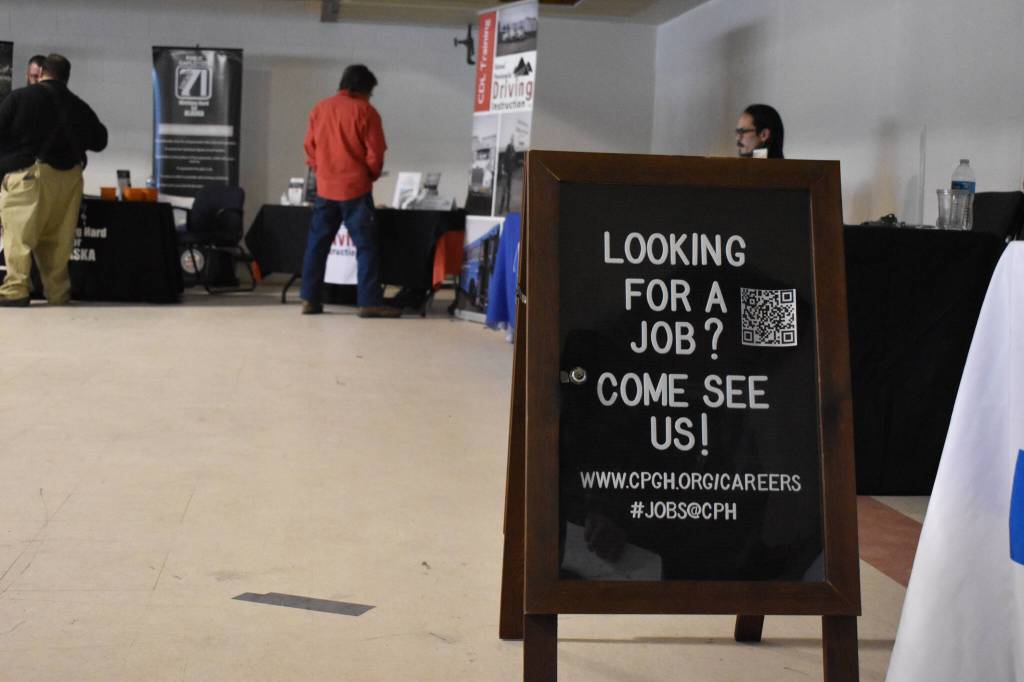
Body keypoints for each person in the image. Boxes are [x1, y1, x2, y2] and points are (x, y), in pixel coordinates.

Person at [0, 53, 107, 307]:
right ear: (66, 77)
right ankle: (57, 293)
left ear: (42, 72)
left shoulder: (19, 98)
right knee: (58, 242)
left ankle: (16, 290)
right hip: (68, 182)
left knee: (19, 236)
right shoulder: (79, 105)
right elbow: (100, 140)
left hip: (29, 177)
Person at [300, 64, 399, 317]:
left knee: (317, 245)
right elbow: (375, 153)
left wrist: (321, 171)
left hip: (325, 189)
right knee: (365, 247)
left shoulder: (320, 108)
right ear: (363, 88)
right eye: (371, 92)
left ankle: (310, 300)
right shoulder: (366, 111)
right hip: (355, 190)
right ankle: (368, 303)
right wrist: (370, 175)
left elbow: (309, 148)